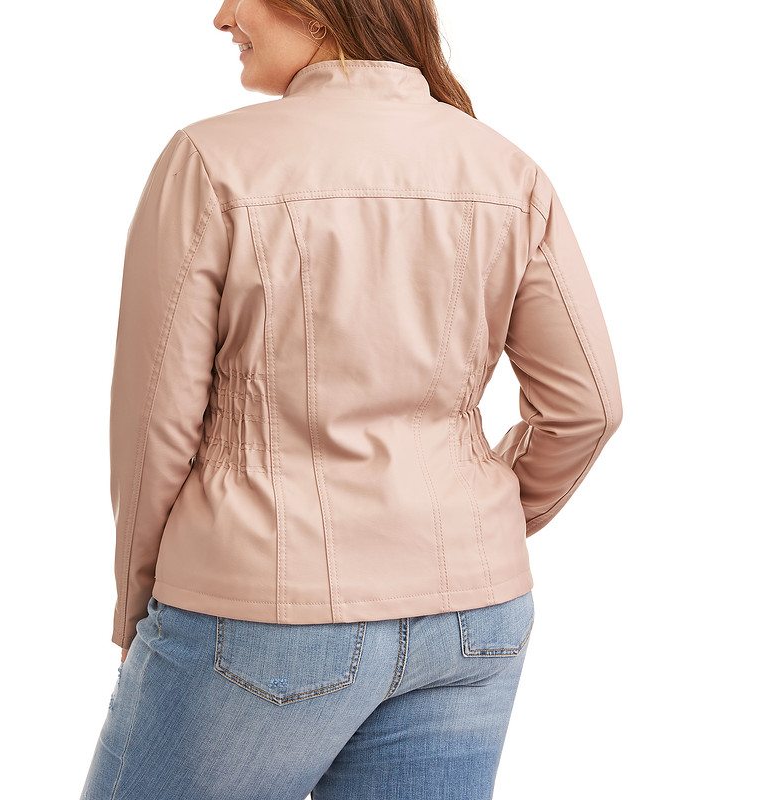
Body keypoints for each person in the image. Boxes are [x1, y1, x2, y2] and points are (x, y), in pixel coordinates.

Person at [81, 0, 622, 797]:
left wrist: (139, 603)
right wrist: (481, 519)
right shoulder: (506, 170)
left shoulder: (212, 162)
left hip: (258, 609)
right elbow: (589, 407)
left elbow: (153, 423)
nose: (222, 15)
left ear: (318, 8)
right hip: (471, 622)